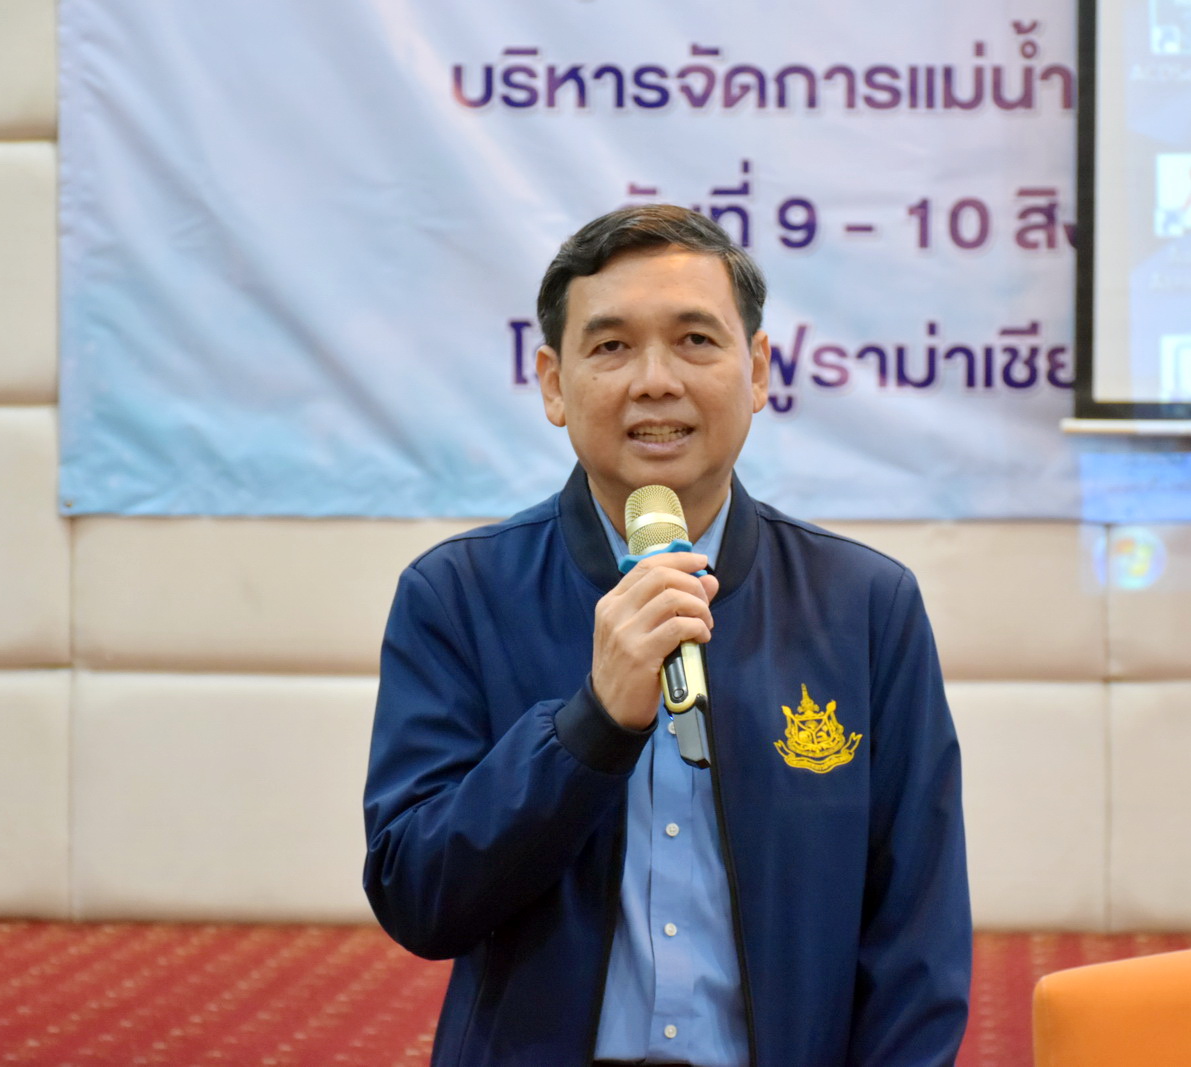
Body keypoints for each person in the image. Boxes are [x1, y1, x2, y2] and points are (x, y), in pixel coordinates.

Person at [363, 204, 971, 1067]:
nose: (656, 380)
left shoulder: (868, 606)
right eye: (612, 346)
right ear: (553, 383)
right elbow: (418, 897)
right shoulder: (457, 594)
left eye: (695, 340)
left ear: (758, 371)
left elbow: (917, 938)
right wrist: (590, 727)